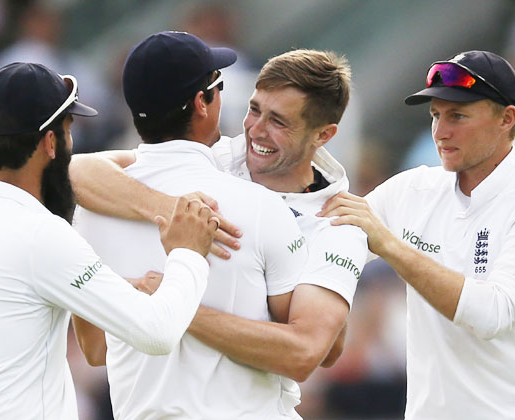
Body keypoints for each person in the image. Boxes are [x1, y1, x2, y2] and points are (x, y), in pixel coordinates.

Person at [70, 45, 368, 412]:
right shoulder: (219, 155)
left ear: (323, 135)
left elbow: (312, 352)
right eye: (254, 109)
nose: (255, 131)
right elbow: (77, 172)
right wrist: (173, 211)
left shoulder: (339, 223)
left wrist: (167, 304)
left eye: (278, 121)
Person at [0, 62, 217, 420]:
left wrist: (121, 288)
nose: (71, 143)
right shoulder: (40, 233)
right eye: (68, 130)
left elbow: (13, 304)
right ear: (50, 143)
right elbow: (157, 332)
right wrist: (189, 252)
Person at [320, 50, 515, 419]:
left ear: (507, 119)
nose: (441, 132)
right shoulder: (413, 189)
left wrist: (391, 246)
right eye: (436, 116)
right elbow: (324, 247)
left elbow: (492, 313)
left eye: (457, 115)